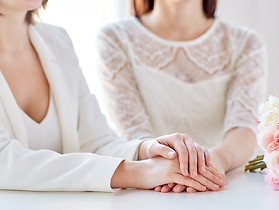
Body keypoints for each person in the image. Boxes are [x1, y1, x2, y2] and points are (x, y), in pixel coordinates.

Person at [0, 0, 224, 192]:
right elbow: (4, 160)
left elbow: (95, 141)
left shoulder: (57, 41)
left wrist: (146, 151)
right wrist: (138, 172)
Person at [97, 0, 267, 193]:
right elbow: (133, 133)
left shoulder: (246, 43)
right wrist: (164, 166)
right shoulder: (114, 38)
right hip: (148, 192)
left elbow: (244, 130)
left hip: (225, 188)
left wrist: (211, 163)